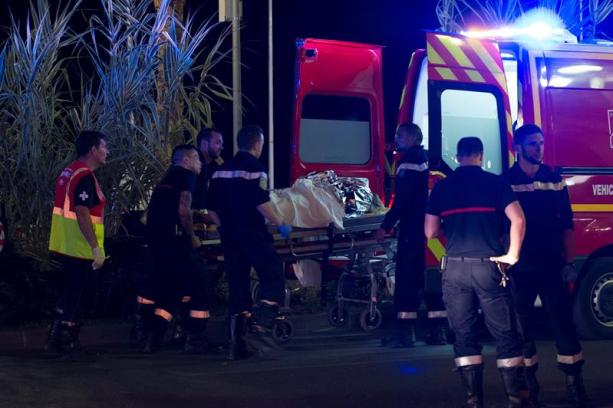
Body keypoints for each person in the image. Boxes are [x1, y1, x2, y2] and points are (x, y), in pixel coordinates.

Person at [425, 137, 531, 408]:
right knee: (505, 333)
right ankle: (515, 400)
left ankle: (473, 401)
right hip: (490, 266)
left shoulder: (442, 188)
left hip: (456, 269)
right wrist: (513, 255)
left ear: (458, 156)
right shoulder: (496, 183)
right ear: (480, 156)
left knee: (464, 335)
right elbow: (518, 219)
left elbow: (430, 231)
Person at [503, 124, 589, 407]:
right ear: (518, 148)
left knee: (563, 325)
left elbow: (567, 224)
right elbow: (500, 227)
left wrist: (570, 261)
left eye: (540, 143)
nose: (538, 148)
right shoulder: (506, 181)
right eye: (532, 144)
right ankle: (530, 388)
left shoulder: (554, 179)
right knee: (522, 327)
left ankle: (574, 386)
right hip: (521, 266)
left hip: (552, 264)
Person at [207, 125, 291, 360]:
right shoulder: (256, 169)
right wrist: (280, 222)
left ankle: (238, 346)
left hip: (229, 235)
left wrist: (224, 227)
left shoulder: (220, 171)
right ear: (257, 144)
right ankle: (261, 325)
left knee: (238, 284)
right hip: (252, 232)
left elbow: (211, 208)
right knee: (272, 272)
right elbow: (261, 203)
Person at [376, 123, 447, 347]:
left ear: (414, 137)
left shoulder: (408, 162)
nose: (396, 138)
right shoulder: (429, 161)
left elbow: (402, 201)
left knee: (408, 280)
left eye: (400, 135)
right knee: (433, 279)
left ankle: (405, 334)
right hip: (433, 233)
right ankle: (439, 331)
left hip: (413, 231)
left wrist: (385, 226)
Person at [135, 144, 211, 353]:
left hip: (158, 244)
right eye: (196, 159)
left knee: (170, 291)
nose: (200, 163)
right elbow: (183, 210)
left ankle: (154, 338)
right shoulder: (186, 176)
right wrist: (192, 235)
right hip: (177, 242)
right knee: (200, 283)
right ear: (186, 161)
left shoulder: (165, 180)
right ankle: (195, 338)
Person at [47, 130, 109, 354]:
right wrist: (95, 247)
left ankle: (57, 339)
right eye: (104, 147)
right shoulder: (84, 175)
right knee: (80, 294)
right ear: (93, 150)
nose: (107, 152)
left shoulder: (69, 171)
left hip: (65, 243)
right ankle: (66, 341)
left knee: (70, 292)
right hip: (80, 246)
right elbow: (82, 213)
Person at [193, 128, 224, 212]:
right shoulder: (193, 164)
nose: (221, 148)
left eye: (221, 144)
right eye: (218, 143)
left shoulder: (207, 165)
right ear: (204, 144)